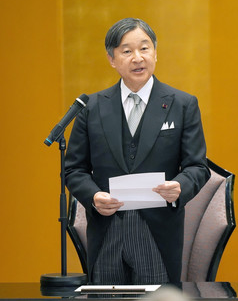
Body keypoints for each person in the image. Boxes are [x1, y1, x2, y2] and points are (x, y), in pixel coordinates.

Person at [65, 18, 210, 285]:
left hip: (158, 229)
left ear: (155, 53)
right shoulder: (91, 107)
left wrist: (179, 187)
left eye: (144, 48)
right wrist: (94, 195)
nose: (137, 58)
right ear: (112, 59)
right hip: (107, 228)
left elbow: (197, 167)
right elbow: (74, 169)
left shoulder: (183, 104)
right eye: (127, 51)